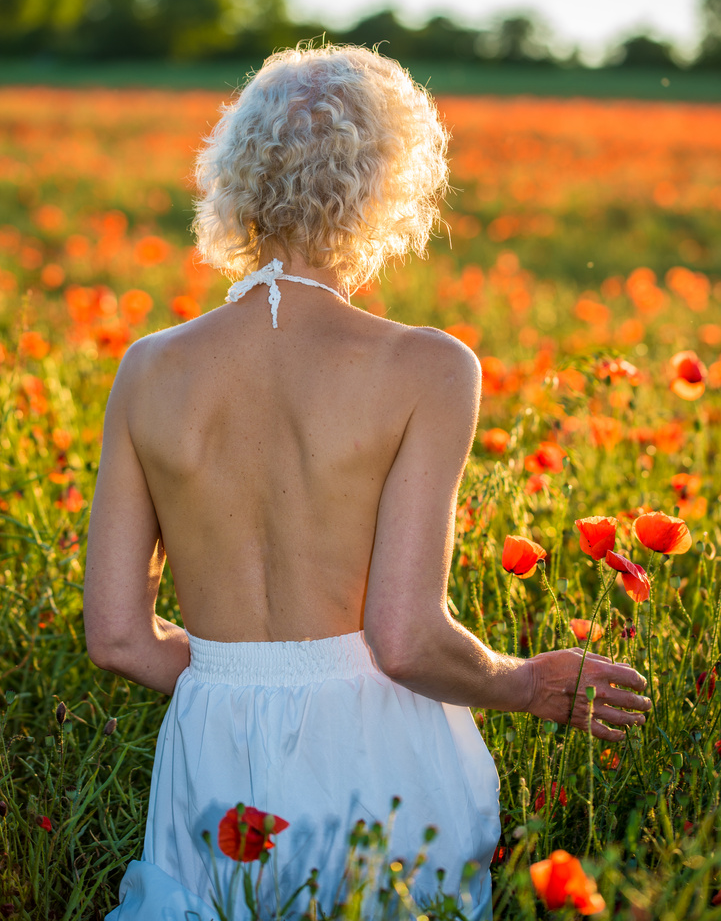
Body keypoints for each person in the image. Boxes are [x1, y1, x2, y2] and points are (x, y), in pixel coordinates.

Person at [84, 45, 650, 921]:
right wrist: (522, 684)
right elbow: (404, 638)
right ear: (388, 188)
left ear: (235, 175)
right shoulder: (426, 368)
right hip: (373, 746)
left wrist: (245, 679)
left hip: (210, 755)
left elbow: (118, 638)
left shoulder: (147, 369)